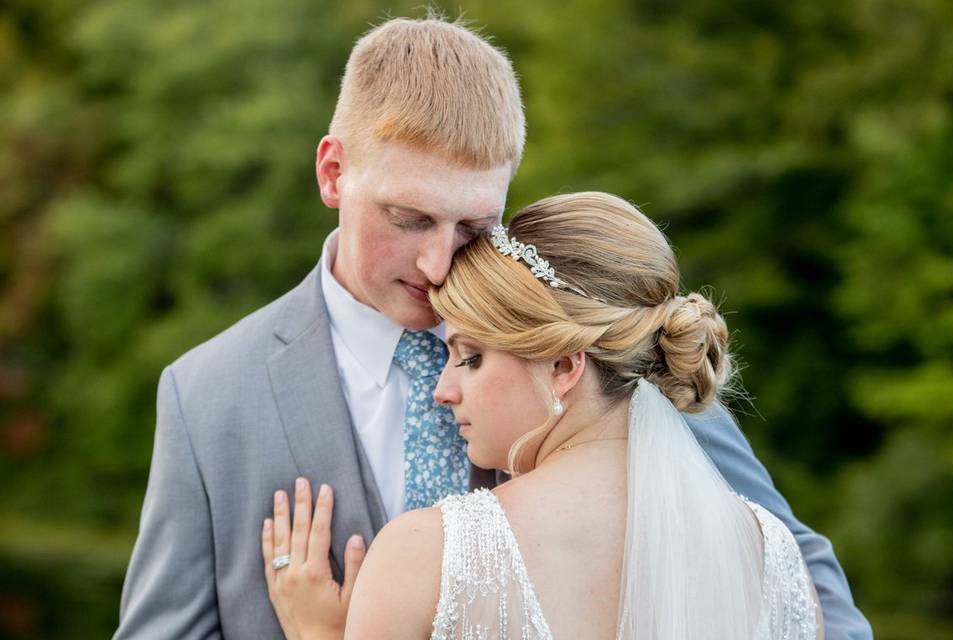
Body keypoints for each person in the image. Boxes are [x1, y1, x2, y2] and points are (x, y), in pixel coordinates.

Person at [115, 15, 871, 640]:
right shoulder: (209, 394)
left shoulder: (578, 326)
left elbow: (801, 584)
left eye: (476, 222)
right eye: (409, 218)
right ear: (333, 172)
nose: (441, 261)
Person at [259, 192, 825, 639]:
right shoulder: (773, 556)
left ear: (562, 366)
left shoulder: (425, 556)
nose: (443, 390)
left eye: (471, 358)